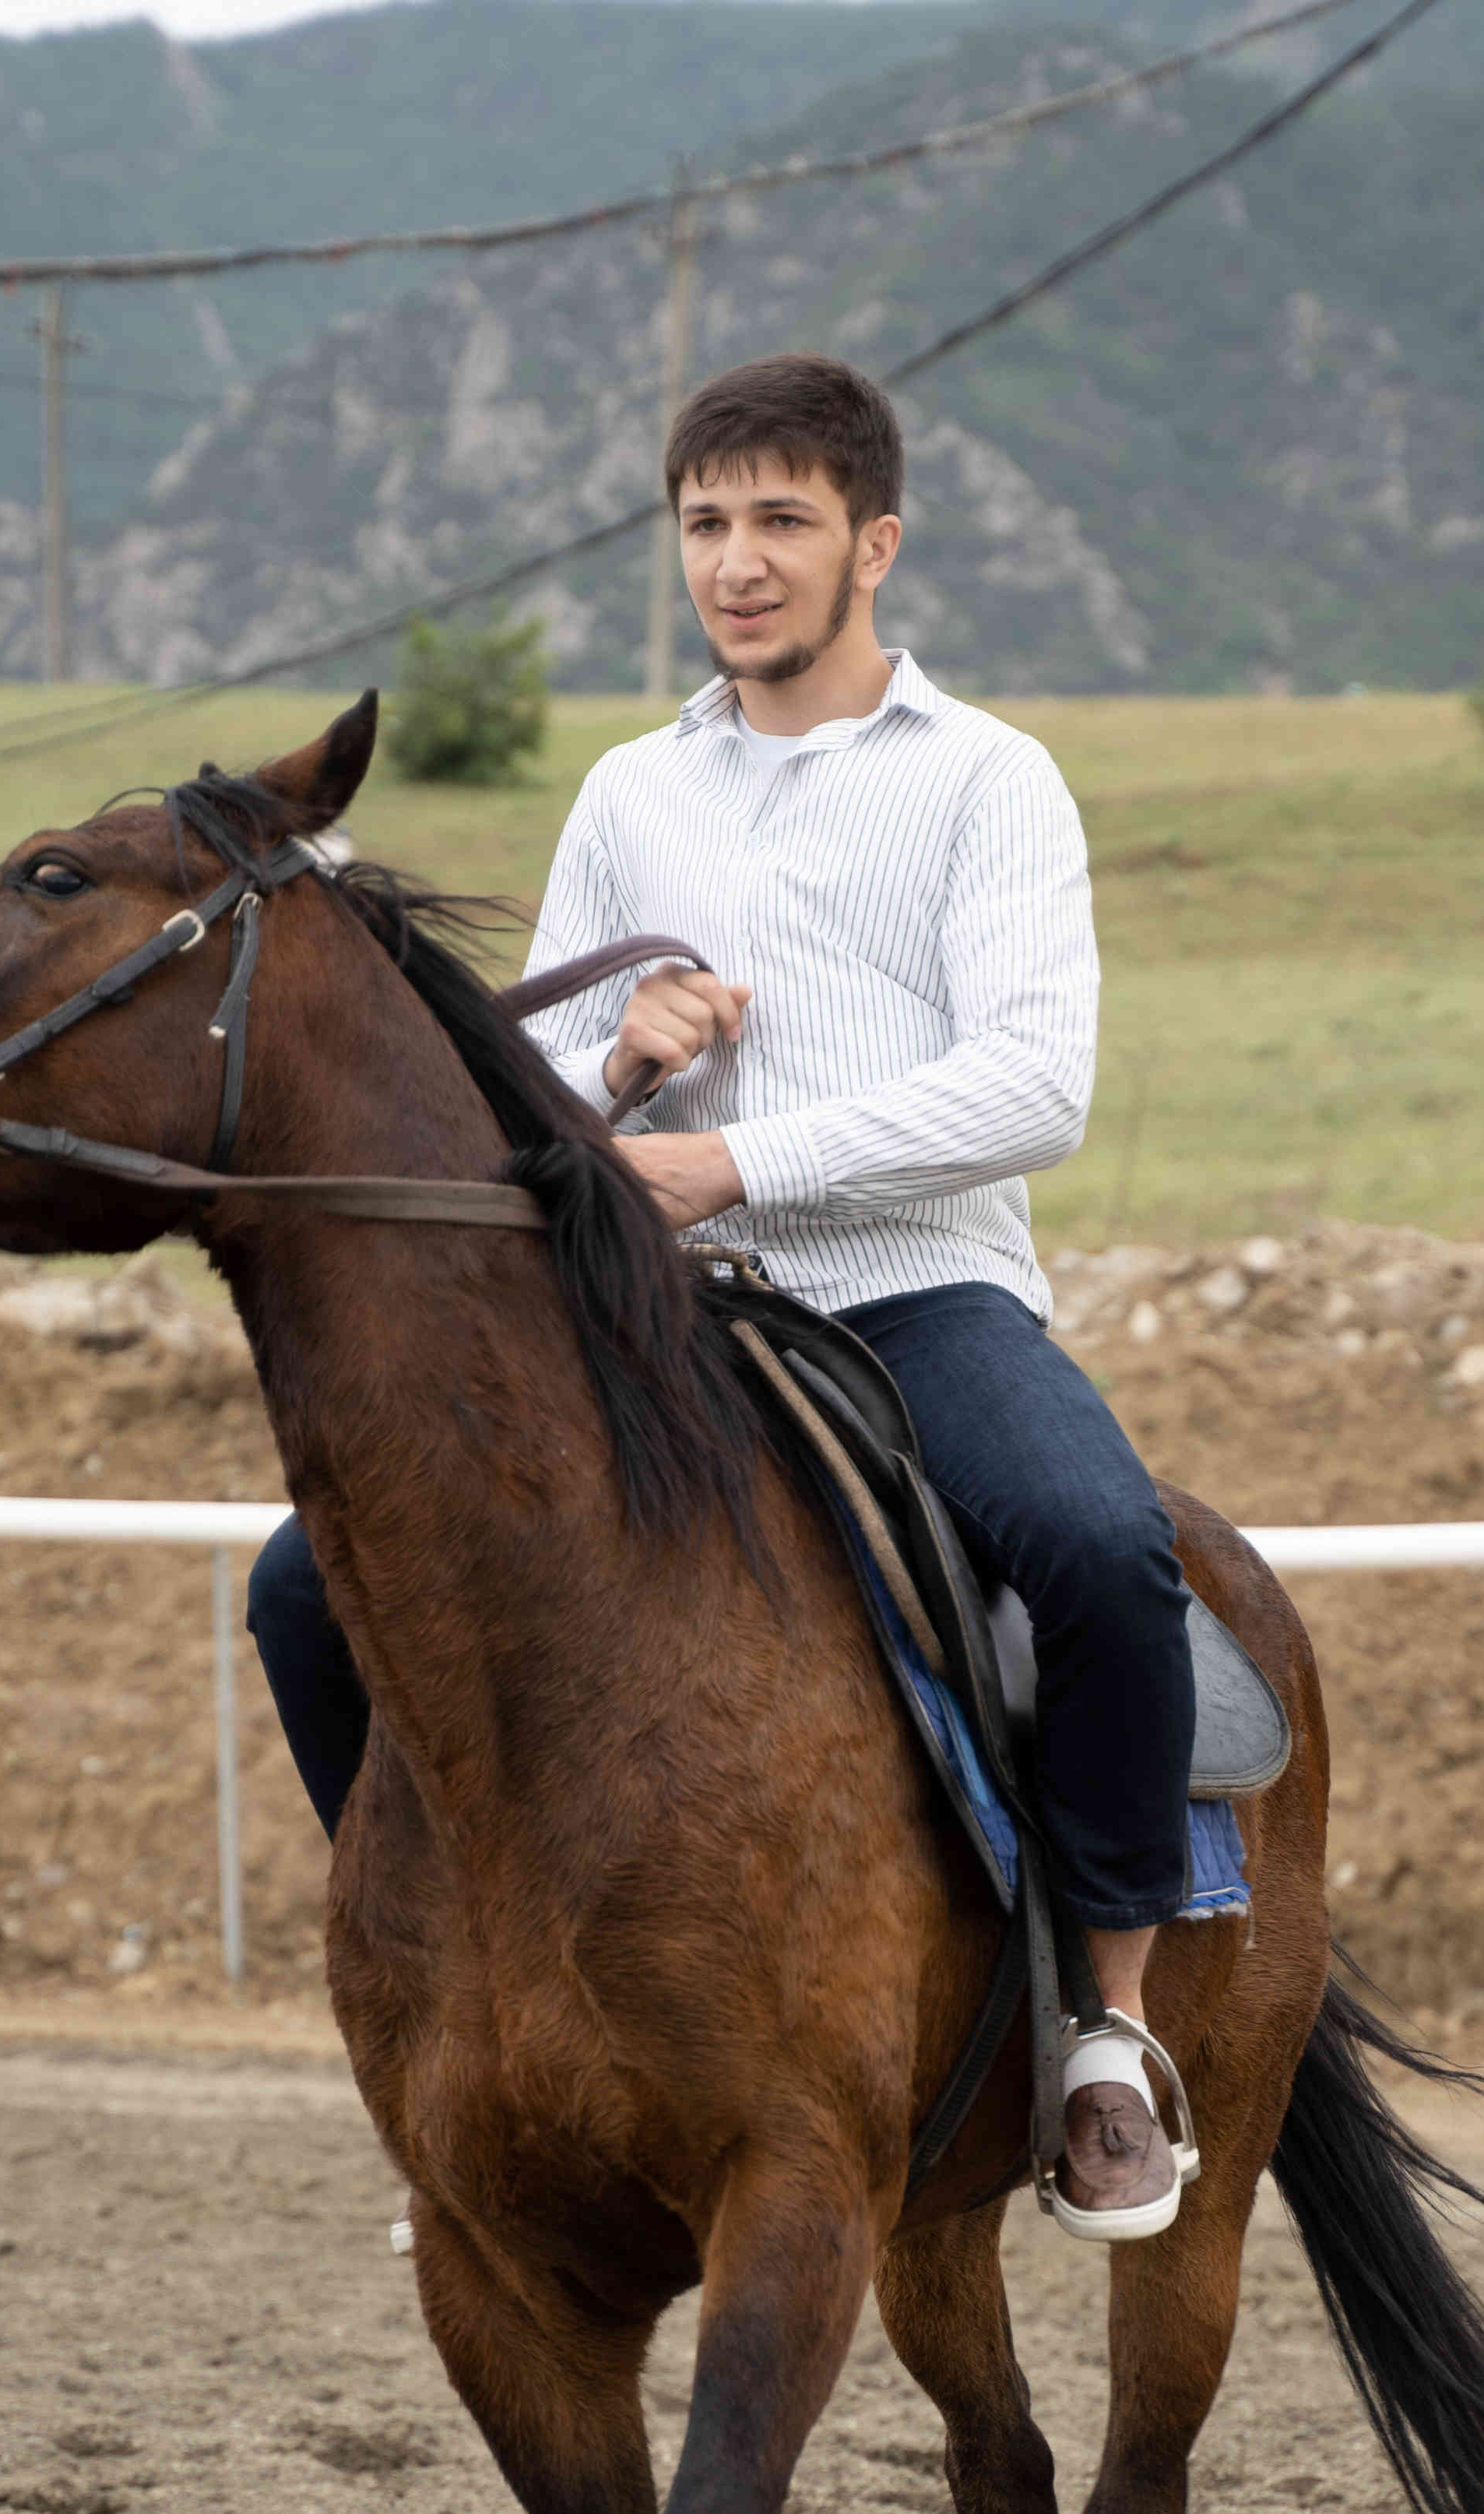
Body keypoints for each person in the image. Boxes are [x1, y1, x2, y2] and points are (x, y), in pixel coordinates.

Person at [248, 350, 1199, 2239]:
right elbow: (536, 1093)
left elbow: (1038, 1085)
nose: (738, 562)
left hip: (916, 1291)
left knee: (1102, 1551)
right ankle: (463, 2000)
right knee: (303, 1586)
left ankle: (1106, 2022)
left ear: (876, 545)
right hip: (658, 1309)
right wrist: (622, 1071)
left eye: (782, 521)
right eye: (706, 523)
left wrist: (740, 1154)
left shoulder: (991, 780)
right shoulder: (629, 788)